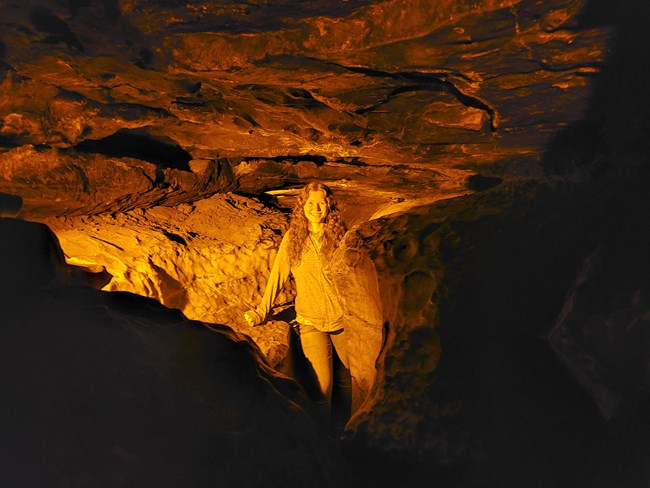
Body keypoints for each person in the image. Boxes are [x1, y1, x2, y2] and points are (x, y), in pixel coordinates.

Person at [244, 181, 352, 430]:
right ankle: (324, 437)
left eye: (321, 203)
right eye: (310, 203)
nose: (316, 208)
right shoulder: (294, 238)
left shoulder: (338, 235)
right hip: (311, 322)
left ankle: (348, 429)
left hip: (342, 320)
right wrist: (262, 311)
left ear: (328, 205)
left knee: (347, 381)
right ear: (302, 206)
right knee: (322, 389)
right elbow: (278, 276)